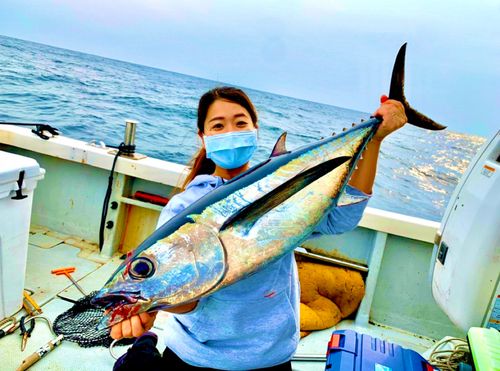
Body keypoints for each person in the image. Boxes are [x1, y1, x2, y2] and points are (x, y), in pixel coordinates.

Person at [110, 86, 407, 370]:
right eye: (218, 126)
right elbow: (189, 302)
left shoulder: (285, 187)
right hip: (194, 358)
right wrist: (151, 304)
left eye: (240, 123)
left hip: (271, 358)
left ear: (255, 129)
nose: (230, 132)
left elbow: (342, 219)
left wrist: (375, 139)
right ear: (203, 136)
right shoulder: (183, 207)